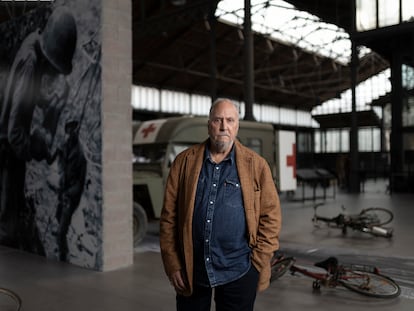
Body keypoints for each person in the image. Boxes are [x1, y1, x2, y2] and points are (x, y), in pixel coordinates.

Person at [159, 98, 282, 311]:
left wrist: (258, 262)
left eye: (230, 120)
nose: (224, 126)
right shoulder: (184, 162)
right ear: (209, 124)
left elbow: (271, 217)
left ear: (237, 126)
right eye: (218, 120)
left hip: (239, 269)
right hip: (192, 269)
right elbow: (169, 217)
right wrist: (173, 263)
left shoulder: (257, 165)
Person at [0, 6, 77, 251]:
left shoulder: (34, 40)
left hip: (8, 143)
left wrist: (47, 102)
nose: (53, 73)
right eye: (54, 67)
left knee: (11, 209)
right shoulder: (30, 63)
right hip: (6, 147)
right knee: (7, 221)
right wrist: (34, 149)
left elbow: (23, 96)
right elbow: (14, 133)